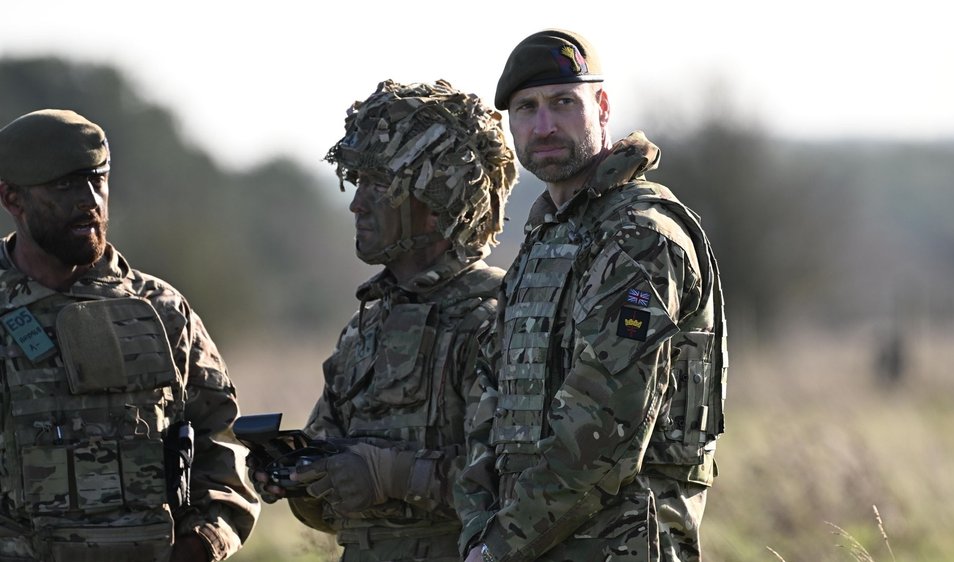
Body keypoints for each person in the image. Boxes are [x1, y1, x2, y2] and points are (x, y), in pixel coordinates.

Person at [455, 29, 729, 562]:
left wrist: (497, 547)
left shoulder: (641, 237)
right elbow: (489, 404)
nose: (544, 125)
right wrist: (478, 531)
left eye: (563, 102)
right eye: (526, 109)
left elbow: (605, 429)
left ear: (601, 106)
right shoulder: (546, 239)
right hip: (529, 542)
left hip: (620, 545)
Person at [254, 79, 517, 561]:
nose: (357, 204)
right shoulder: (364, 331)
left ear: (438, 200)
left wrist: (387, 474)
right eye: (358, 184)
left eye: (378, 185)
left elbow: (523, 489)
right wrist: (301, 478)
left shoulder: (495, 322)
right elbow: (335, 510)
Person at [0, 109, 260, 561]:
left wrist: (201, 544)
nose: (89, 201)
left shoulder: (161, 309)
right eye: (64, 186)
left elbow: (222, 443)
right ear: (12, 198)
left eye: (96, 180)